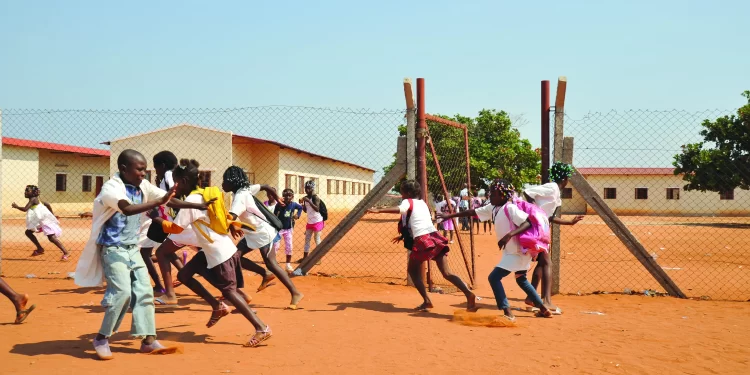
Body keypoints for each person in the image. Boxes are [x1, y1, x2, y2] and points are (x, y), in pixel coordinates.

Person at [73, 149, 211, 360]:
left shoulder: (142, 186)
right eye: (138, 170)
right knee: (122, 293)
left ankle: (148, 340)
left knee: (145, 292)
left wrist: (198, 205)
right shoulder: (112, 188)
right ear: (123, 168)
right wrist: (158, 202)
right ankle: (101, 338)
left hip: (131, 248)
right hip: (113, 249)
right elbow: (127, 209)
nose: (143, 174)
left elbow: (168, 200)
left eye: (144, 170)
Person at [162, 159, 272, 347]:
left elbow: (176, 229)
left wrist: (156, 218)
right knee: (184, 274)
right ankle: (217, 306)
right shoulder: (203, 194)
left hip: (220, 253)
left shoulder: (191, 201)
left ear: (185, 182)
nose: (174, 187)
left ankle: (261, 327)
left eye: (176, 182)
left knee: (230, 292)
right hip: (214, 249)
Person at [438, 179, 552, 321]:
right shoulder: (493, 208)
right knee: (521, 279)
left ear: (503, 195)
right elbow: (473, 211)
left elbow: (527, 222)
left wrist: (509, 235)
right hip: (513, 252)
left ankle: (508, 313)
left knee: (494, 278)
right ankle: (543, 309)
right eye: (490, 193)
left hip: (516, 252)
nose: (490, 196)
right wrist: (450, 216)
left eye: (493, 194)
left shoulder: (510, 208)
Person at [367, 180, 476, 312]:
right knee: (446, 273)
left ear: (407, 192)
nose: (401, 194)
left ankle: (427, 300)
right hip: (434, 237)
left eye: (401, 191)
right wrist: (402, 236)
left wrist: (379, 210)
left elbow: (401, 210)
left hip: (422, 240)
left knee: (413, 271)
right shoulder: (422, 203)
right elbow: (417, 221)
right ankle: (468, 293)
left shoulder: (407, 201)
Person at [223, 166, 304, 309]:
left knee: (271, 263)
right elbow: (265, 186)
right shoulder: (245, 189)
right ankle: (264, 275)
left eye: (225, 181)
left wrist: (230, 224)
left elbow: (230, 217)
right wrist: (277, 198)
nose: (222, 184)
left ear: (233, 182)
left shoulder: (240, 197)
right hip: (252, 233)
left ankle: (295, 292)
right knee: (235, 257)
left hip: (262, 233)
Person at [523, 162, 584, 313]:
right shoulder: (551, 187)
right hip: (537, 227)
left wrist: (569, 222)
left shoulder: (556, 193)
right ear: (564, 178)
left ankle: (531, 297)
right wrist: (535, 211)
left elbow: (549, 217)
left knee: (541, 263)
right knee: (547, 263)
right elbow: (527, 191)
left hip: (542, 227)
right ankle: (546, 301)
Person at [138, 151, 184, 296]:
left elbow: (174, 192)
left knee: (145, 252)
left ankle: (159, 285)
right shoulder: (171, 175)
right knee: (166, 250)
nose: (156, 171)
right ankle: (184, 274)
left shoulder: (169, 175)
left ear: (163, 166)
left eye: (156, 167)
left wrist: (174, 213)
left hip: (166, 218)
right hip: (167, 218)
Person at [12, 185, 70, 261]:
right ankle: (40, 249)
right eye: (25, 191)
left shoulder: (33, 199)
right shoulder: (37, 199)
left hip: (44, 220)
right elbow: (47, 204)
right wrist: (52, 214)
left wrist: (17, 206)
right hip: (39, 220)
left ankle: (66, 252)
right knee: (28, 232)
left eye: (27, 191)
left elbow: (25, 209)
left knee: (51, 237)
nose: (25, 192)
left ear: (33, 193)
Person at [273, 188, 304, 272]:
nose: (287, 198)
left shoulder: (293, 205)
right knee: (275, 246)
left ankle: (288, 265)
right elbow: (274, 214)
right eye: (285, 196)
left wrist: (297, 215)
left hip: (288, 229)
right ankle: (273, 264)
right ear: (283, 196)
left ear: (292, 197)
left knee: (289, 246)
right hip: (279, 229)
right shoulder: (279, 204)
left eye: (289, 196)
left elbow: (300, 207)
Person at [301, 180, 324, 262]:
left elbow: (317, 209)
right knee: (307, 239)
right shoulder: (306, 197)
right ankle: (305, 258)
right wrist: (302, 204)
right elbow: (306, 210)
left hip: (317, 221)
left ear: (312, 188)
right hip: (310, 222)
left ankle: (318, 258)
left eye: (309, 188)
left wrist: (308, 201)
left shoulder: (315, 197)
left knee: (317, 239)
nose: (307, 190)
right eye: (306, 188)